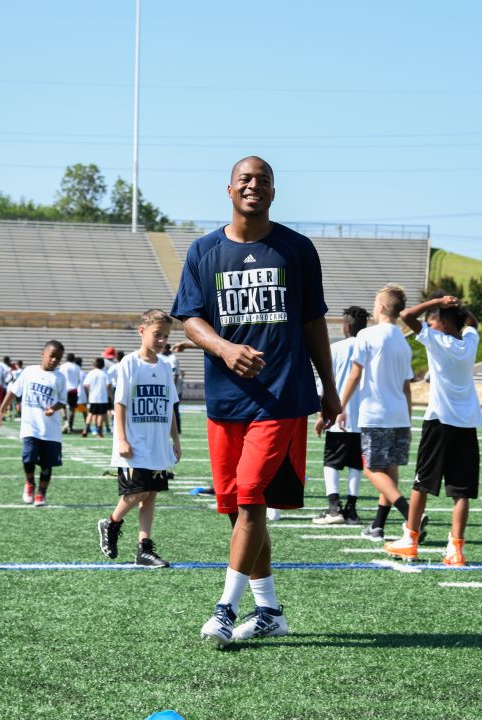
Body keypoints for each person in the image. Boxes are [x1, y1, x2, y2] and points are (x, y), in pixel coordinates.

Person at [172, 156, 340, 648]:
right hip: (226, 401)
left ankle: (224, 610)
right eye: (245, 179)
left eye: (263, 180)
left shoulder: (297, 249)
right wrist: (224, 348)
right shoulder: (204, 250)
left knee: (250, 501)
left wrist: (328, 387)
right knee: (240, 509)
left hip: (282, 397)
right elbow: (190, 318)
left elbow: (313, 323)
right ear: (228, 189)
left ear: (273, 191)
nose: (254, 185)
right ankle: (269, 610)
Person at [385, 293, 482, 565]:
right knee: (462, 491)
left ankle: (410, 539)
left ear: (442, 322)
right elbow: (473, 323)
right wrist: (459, 307)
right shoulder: (470, 342)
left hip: (439, 420)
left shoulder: (436, 340)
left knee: (422, 482)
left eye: (434, 319)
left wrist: (438, 300)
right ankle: (456, 549)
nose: (430, 322)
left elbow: (405, 316)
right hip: (466, 424)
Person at [97, 309, 182, 568]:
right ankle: (111, 523)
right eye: (157, 334)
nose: (161, 340)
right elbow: (120, 402)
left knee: (151, 494)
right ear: (142, 331)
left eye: (165, 336)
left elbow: (170, 408)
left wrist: (175, 441)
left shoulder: (166, 367)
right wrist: (121, 438)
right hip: (135, 442)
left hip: (157, 442)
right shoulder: (129, 363)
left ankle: (144, 549)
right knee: (136, 492)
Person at [333, 285, 419, 543]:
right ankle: (378, 526)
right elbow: (406, 388)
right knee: (389, 470)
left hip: (376, 413)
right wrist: (409, 418)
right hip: (399, 415)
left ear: (381, 307)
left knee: (371, 469)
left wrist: (340, 407)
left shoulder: (368, 335)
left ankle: (409, 514)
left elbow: (355, 374)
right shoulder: (404, 343)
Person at [312, 305, 369, 526]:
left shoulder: (335, 349)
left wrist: (320, 415)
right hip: (363, 416)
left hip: (338, 416)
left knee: (331, 462)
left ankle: (334, 507)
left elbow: (325, 384)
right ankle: (351, 510)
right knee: (356, 463)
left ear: (346, 326)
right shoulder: (369, 348)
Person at [0, 340, 67, 506]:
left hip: (50, 430)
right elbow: (13, 391)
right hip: (31, 427)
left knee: (46, 465)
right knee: (28, 459)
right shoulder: (29, 372)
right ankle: (30, 484)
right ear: (43, 353)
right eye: (52, 356)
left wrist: (54, 408)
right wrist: (0, 411)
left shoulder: (59, 377)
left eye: (58, 358)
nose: (55, 360)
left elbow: (63, 401)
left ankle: (41, 493)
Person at [82, 357, 111, 437]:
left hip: (93, 397)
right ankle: (99, 432)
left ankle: (85, 429)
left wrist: (89, 393)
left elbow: (86, 385)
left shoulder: (91, 373)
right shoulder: (104, 373)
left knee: (91, 413)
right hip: (102, 398)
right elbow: (109, 385)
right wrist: (111, 396)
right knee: (101, 414)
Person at [57, 352, 82, 433]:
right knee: (72, 409)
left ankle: (66, 422)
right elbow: (78, 379)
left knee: (62, 406)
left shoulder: (62, 366)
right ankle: (70, 426)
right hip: (74, 389)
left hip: (64, 388)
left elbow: (60, 377)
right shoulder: (77, 367)